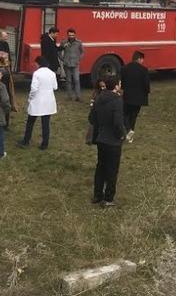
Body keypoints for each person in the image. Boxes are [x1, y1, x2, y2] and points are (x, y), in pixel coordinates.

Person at [90, 76, 127, 206]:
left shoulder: (99, 98)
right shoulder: (117, 101)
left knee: (100, 167)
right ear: (116, 86)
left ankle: (97, 195)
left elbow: (92, 118)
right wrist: (122, 135)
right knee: (112, 170)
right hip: (113, 141)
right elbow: (117, 122)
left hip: (101, 138)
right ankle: (108, 198)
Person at [18, 56, 58, 150]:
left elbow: (34, 88)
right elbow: (55, 87)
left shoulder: (37, 74)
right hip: (49, 101)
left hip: (37, 101)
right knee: (45, 124)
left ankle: (26, 140)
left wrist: (30, 98)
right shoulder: (52, 73)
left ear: (38, 64)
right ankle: (45, 144)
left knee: (30, 122)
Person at [120, 51, 150, 142]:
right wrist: (146, 92)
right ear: (139, 59)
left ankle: (128, 130)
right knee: (134, 116)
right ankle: (131, 134)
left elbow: (123, 83)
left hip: (128, 96)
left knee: (124, 114)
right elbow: (146, 85)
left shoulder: (125, 68)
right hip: (139, 98)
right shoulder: (144, 70)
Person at [0, 51, 18, 126]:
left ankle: (5, 123)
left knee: (6, 106)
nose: (8, 60)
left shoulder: (5, 67)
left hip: (6, 90)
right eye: (6, 58)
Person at [60, 28, 85, 102]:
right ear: (67, 35)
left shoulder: (79, 42)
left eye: (72, 35)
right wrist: (62, 59)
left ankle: (78, 96)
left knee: (76, 80)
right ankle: (69, 96)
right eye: (70, 35)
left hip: (75, 64)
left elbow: (82, 51)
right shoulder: (64, 42)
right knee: (68, 80)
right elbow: (59, 51)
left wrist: (79, 59)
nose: (71, 36)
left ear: (75, 35)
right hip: (67, 64)